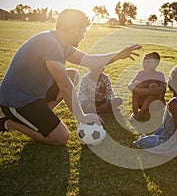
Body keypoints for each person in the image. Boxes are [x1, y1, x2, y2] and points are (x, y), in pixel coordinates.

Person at [0, 9, 142, 145]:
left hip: (33, 94)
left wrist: (119, 55)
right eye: (83, 31)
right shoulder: (51, 45)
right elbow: (65, 86)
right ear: (74, 29)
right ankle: (8, 122)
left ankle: (40, 116)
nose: (83, 35)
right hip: (17, 101)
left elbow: (90, 60)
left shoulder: (61, 44)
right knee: (61, 136)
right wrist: (82, 117)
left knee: (73, 74)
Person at [128, 52, 166, 121]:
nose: (145, 64)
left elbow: (163, 89)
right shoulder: (140, 73)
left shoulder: (159, 75)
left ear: (156, 63)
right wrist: (138, 90)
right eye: (144, 62)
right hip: (141, 102)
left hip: (155, 104)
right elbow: (130, 84)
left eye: (148, 62)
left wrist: (148, 91)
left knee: (153, 86)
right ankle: (135, 112)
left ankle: (141, 113)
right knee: (136, 85)